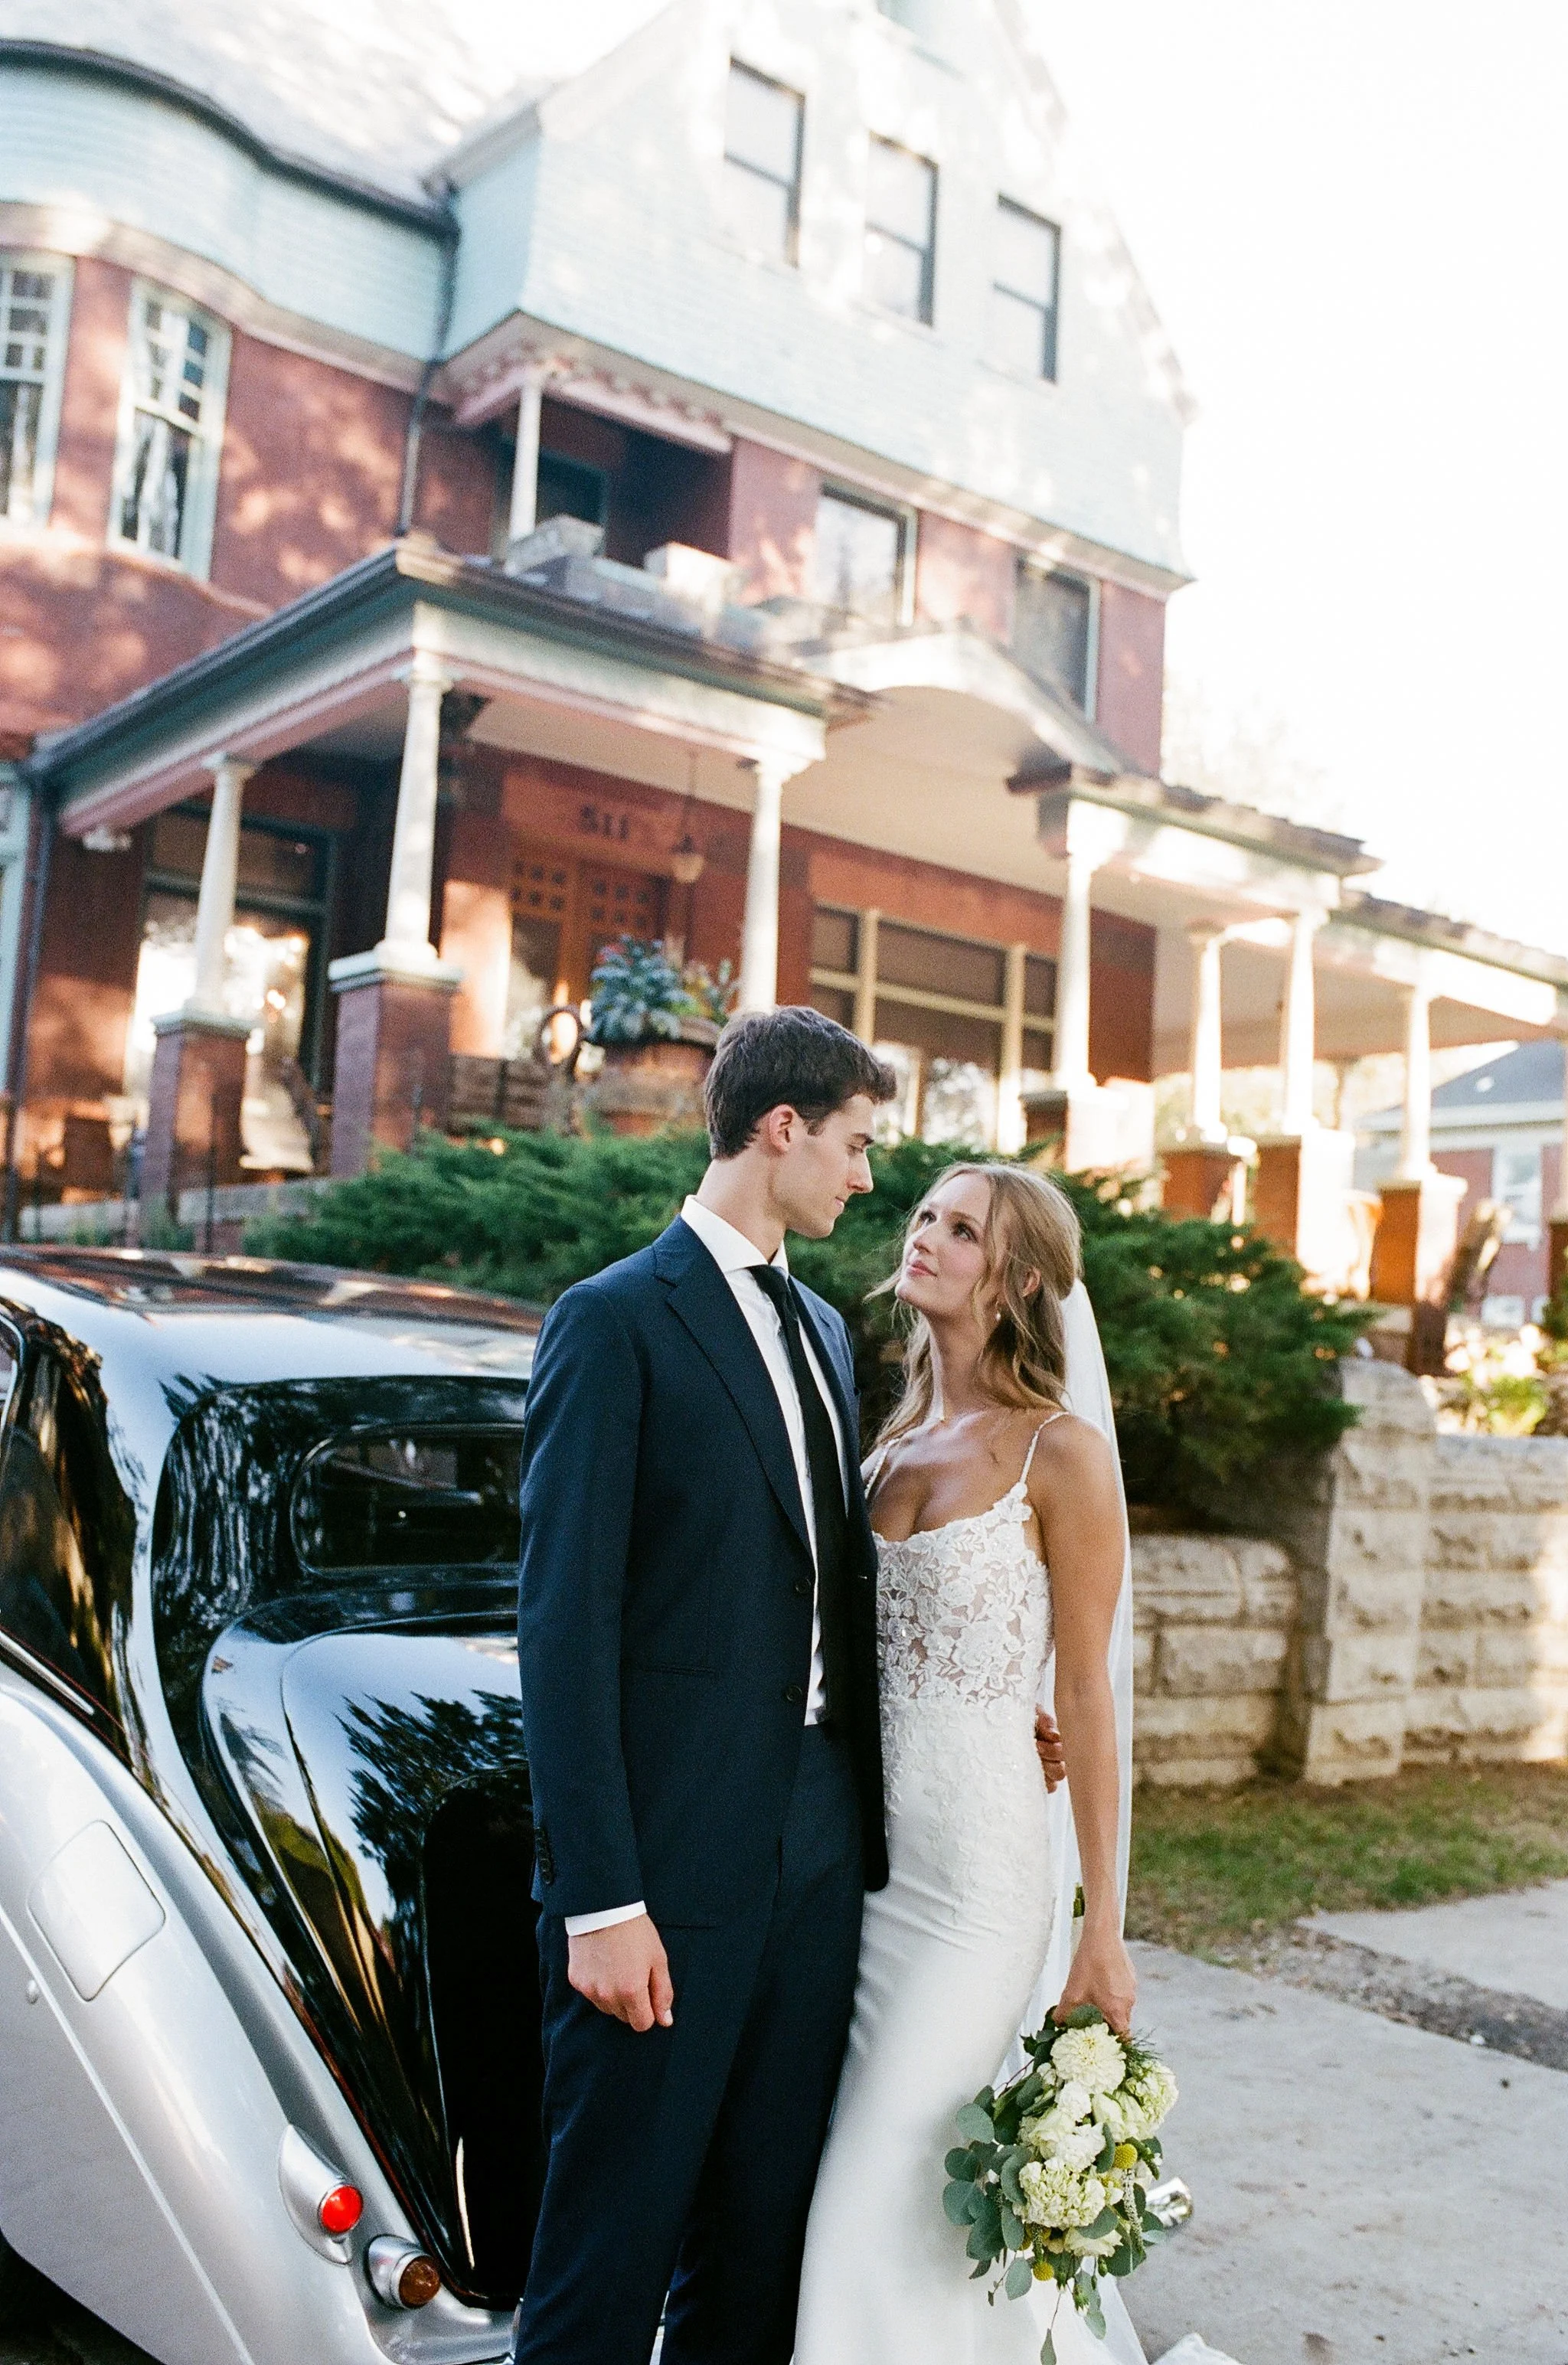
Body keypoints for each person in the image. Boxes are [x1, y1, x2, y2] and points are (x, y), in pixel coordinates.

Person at [511, 1006, 898, 2365]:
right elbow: (563, 1631)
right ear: (782, 1129)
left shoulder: (831, 1334)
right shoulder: (612, 1322)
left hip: (818, 1835)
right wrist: (603, 1898)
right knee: (609, 2246)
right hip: (665, 1856)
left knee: (758, 2241)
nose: (867, 1178)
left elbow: (831, 1588)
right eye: (855, 1146)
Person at [793, 1159, 1146, 2365]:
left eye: (964, 1229)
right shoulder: (884, 1448)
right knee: (900, 2199)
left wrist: (1103, 1926)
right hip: (857, 1877)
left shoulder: (1062, 1454)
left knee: (871, 2184)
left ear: (1020, 1281)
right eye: (927, 1217)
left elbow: (1086, 1695)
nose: (929, 1237)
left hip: (981, 1888)